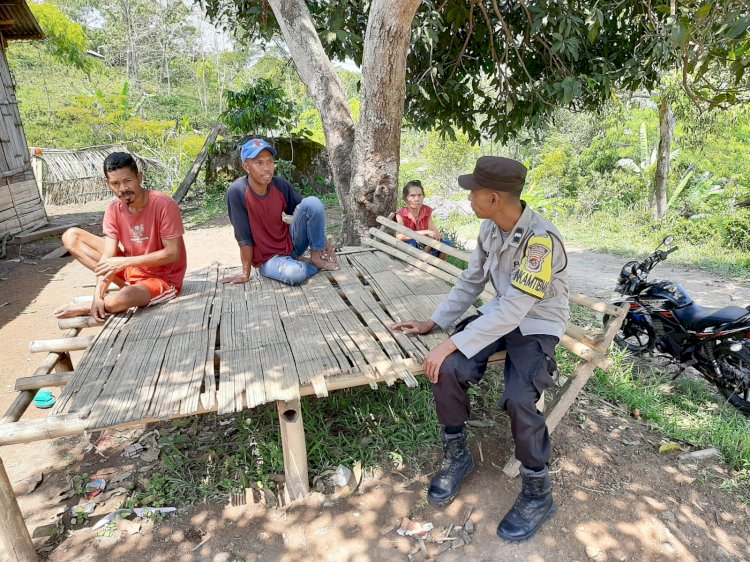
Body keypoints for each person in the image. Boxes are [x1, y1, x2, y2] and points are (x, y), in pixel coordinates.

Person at [390, 156, 569, 543]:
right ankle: (458, 454)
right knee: (449, 368)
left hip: (536, 323)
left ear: (493, 197)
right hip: (499, 315)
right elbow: (471, 281)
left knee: (521, 397)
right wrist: (435, 323)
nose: (469, 197)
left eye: (473, 191)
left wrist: (450, 341)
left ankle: (538, 492)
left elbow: (517, 308)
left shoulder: (540, 241)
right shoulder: (491, 228)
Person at [53, 152, 187, 322]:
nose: (122, 189)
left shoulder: (164, 204)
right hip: (130, 271)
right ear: (108, 184)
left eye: (128, 181)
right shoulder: (113, 209)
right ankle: (110, 298)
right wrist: (97, 296)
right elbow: (107, 257)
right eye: (115, 183)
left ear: (139, 177)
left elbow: (172, 254)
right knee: (72, 236)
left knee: (122, 299)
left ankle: (94, 306)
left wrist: (125, 262)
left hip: (162, 279)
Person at [220, 138, 339, 286]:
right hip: (268, 259)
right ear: (246, 167)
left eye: (270, 161)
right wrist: (245, 274)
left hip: (291, 244)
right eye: (259, 163)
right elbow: (243, 237)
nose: (267, 168)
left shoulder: (279, 185)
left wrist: (322, 243)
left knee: (313, 202)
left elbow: (309, 213)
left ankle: (315, 258)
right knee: (294, 274)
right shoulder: (237, 192)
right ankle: (306, 265)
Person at [394, 179, 451, 260]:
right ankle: (418, 262)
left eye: (419, 195)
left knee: (445, 243)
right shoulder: (401, 214)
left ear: (423, 196)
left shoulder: (426, 211)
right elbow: (398, 236)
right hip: (410, 248)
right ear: (405, 198)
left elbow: (435, 232)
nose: (417, 199)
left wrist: (435, 238)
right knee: (411, 243)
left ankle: (438, 266)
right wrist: (424, 232)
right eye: (412, 195)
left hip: (423, 246)